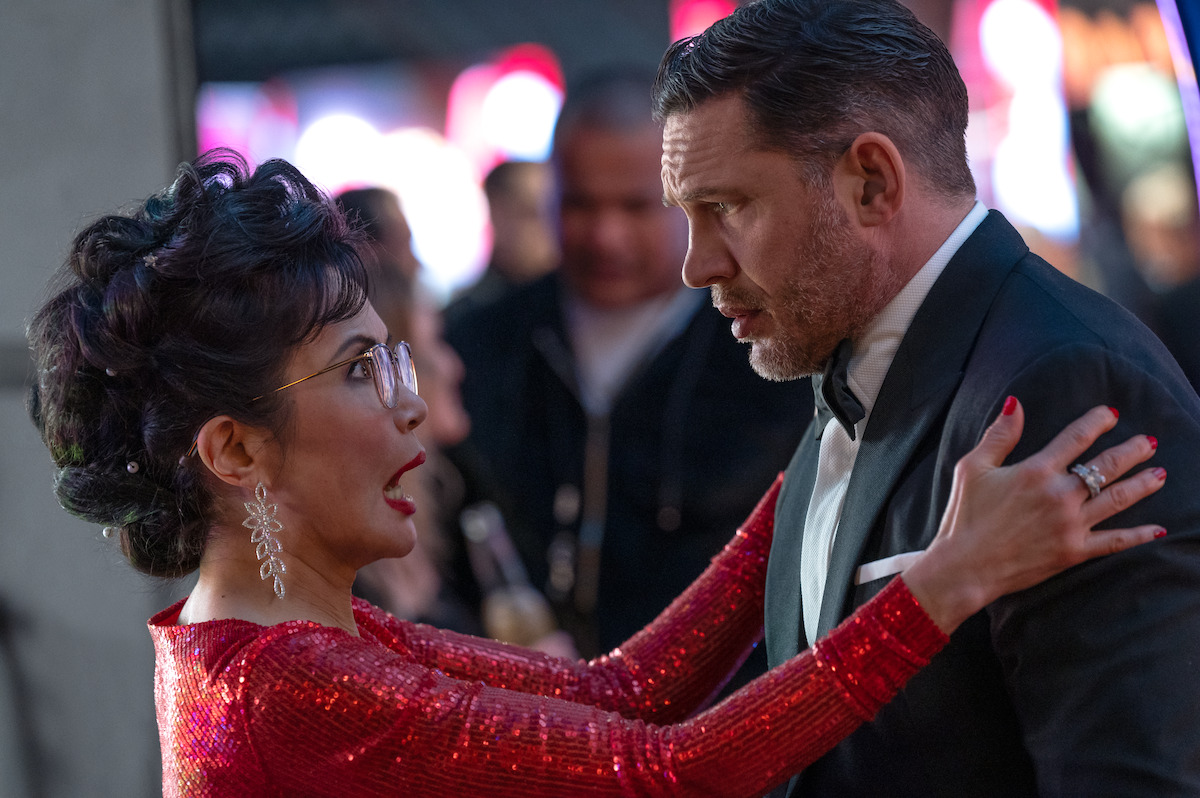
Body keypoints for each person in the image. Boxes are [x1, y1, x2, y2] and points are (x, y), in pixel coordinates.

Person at [26, 150, 1165, 797]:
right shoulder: (282, 688)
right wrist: (943, 587)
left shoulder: (281, 649)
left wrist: (834, 433)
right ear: (234, 450)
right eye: (359, 371)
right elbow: (665, 771)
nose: (414, 403)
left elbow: (622, 692)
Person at [653, 1, 1200, 795]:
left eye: (727, 207)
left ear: (872, 183)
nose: (696, 266)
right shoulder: (848, 360)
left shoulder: (1064, 379)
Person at [445, 70, 813, 665]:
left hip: (719, 717)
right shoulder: (476, 347)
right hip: (512, 716)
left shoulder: (769, 354)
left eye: (638, 207)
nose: (605, 235)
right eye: (581, 204)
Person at [443, 159, 560, 327]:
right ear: (498, 214)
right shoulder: (464, 322)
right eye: (532, 214)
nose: (551, 228)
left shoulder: (580, 310)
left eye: (555, 213)